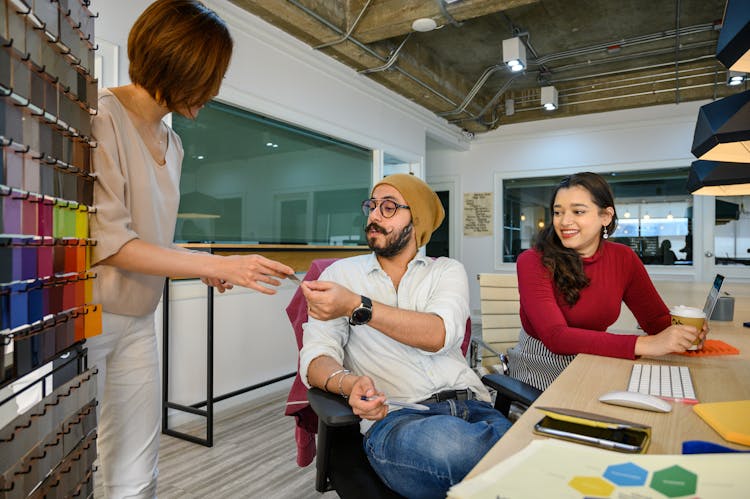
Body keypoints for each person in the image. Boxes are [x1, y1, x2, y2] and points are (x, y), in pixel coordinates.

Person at [87, 2, 294, 497]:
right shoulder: (101, 117)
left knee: (138, 463)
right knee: (69, 455)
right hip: (88, 316)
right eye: (208, 77)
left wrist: (198, 266)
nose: (214, 91)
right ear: (175, 65)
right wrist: (207, 262)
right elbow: (111, 241)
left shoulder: (173, 143)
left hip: (139, 316)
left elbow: (151, 240)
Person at [299, 174, 512, 499]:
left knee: (508, 454)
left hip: (474, 409)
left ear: (418, 220)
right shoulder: (341, 276)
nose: (373, 216)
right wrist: (349, 383)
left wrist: (358, 305)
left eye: (388, 208)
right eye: (371, 206)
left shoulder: (446, 271)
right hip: (399, 419)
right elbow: (315, 357)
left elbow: (439, 333)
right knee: (477, 453)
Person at [510, 172, 707, 391]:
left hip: (598, 355)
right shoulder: (533, 261)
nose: (564, 221)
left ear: (605, 216)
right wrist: (647, 344)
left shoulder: (623, 258)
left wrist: (683, 331)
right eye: (558, 212)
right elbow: (556, 337)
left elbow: (655, 320)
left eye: (578, 211)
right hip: (543, 363)